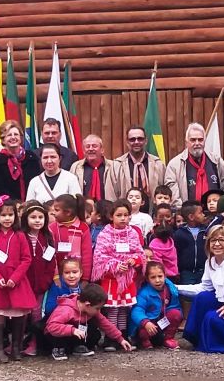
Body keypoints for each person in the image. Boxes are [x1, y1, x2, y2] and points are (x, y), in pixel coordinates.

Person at [0, 200, 34, 362]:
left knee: (19, 313)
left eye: (10, 215)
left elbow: (26, 259)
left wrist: (15, 278)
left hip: (17, 281)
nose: (7, 218)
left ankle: (16, 348)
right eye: (3, 215)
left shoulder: (20, 235)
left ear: (15, 216)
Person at [91, 200, 145, 340]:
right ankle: (112, 337)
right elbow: (100, 257)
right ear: (111, 216)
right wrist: (115, 265)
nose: (123, 218)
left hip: (127, 278)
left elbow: (140, 253)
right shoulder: (104, 234)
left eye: (126, 215)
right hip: (111, 279)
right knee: (113, 309)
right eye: (119, 215)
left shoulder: (133, 233)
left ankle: (123, 334)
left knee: (123, 309)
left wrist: (134, 260)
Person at [164, 123, 224, 207]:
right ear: (186, 142)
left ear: (204, 141)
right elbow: (173, 197)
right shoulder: (174, 165)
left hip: (214, 212)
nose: (197, 143)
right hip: (187, 213)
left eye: (200, 140)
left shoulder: (217, 162)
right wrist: (186, 211)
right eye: (193, 140)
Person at [130, 261, 183, 349]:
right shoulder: (144, 293)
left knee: (175, 314)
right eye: (153, 277)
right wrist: (145, 322)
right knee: (143, 331)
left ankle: (168, 338)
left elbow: (175, 306)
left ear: (165, 276)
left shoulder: (171, 289)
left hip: (162, 322)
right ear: (147, 279)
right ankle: (144, 340)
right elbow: (137, 310)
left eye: (160, 276)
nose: (157, 280)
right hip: (149, 324)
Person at [113, 125, 166, 201]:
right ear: (127, 142)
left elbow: (165, 192)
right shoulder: (117, 166)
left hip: (152, 208)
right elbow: (111, 196)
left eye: (140, 139)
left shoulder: (158, 164)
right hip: (126, 208)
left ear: (146, 141)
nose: (136, 142)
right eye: (132, 139)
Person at [72, 134, 129, 203]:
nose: (90, 149)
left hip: (109, 207)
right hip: (84, 208)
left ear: (102, 150)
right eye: (87, 146)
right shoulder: (75, 167)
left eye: (94, 146)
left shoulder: (114, 167)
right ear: (83, 151)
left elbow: (122, 190)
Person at [0, 121, 39, 201]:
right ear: (3, 140)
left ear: (21, 138)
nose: (13, 137)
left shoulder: (31, 158)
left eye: (16, 134)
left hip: (31, 203)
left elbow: (37, 183)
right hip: (9, 205)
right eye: (9, 135)